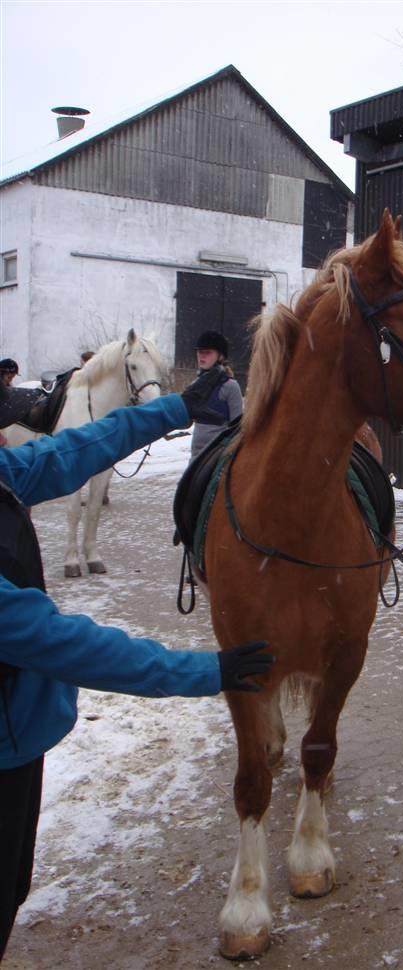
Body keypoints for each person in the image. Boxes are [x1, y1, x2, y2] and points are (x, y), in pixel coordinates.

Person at [0, 370, 274, 959]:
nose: (6, 436)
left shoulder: (2, 474)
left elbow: (67, 452)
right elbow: (64, 644)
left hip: (16, 736)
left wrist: (171, 409)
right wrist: (209, 672)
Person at [189, 330, 243, 461]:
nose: (202, 356)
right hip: (196, 456)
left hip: (219, 458)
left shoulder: (230, 386)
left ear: (220, 356)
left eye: (207, 353)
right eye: (200, 352)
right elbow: (186, 421)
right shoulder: (195, 384)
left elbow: (237, 428)